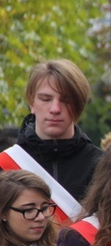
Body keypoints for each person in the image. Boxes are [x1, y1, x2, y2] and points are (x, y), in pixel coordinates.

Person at [0, 60, 102, 208]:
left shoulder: (102, 167)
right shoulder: (5, 165)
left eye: (66, 101)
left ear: (79, 105)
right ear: (32, 103)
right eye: (46, 99)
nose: (55, 109)